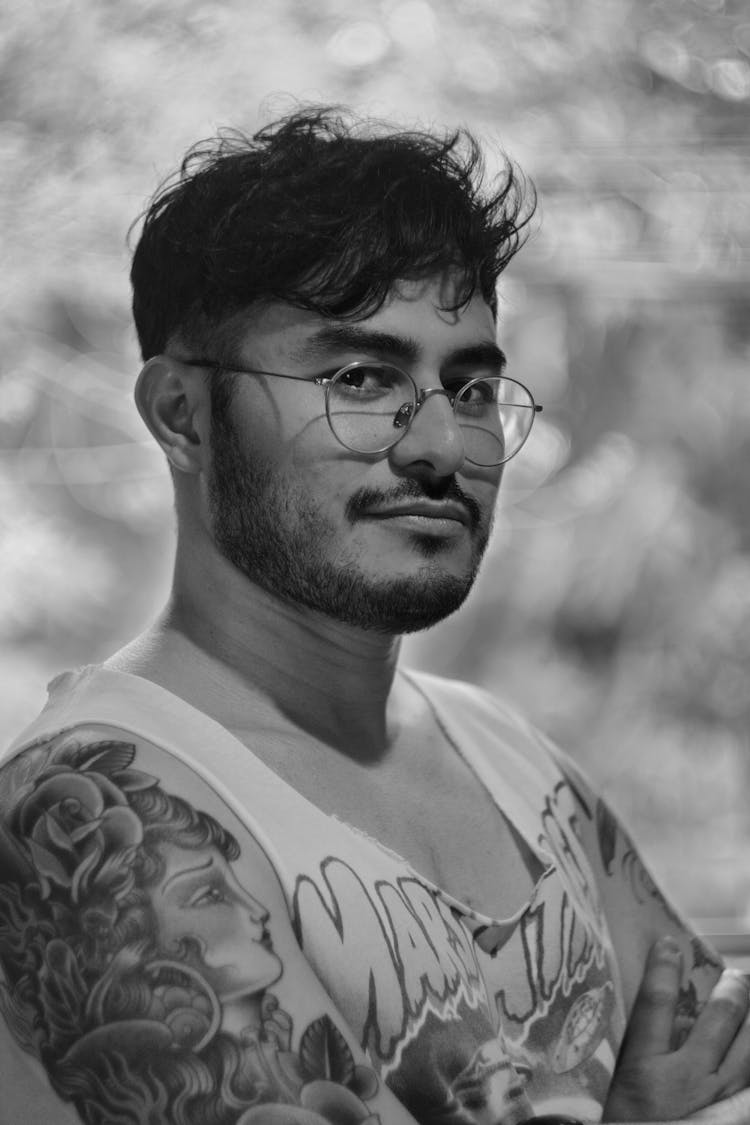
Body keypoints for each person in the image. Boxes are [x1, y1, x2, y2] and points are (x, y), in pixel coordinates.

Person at [0, 105, 749, 1125]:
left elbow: (718, 1061)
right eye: (361, 378)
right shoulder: (100, 820)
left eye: (474, 385)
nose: (442, 444)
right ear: (182, 414)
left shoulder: (503, 751)